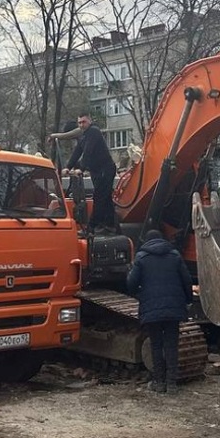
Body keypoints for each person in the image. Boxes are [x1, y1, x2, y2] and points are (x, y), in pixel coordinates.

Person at [126, 229, 193, 394]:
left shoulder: (141, 258)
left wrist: (139, 293)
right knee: (171, 345)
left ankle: (159, 382)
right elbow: (187, 280)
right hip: (173, 308)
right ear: (162, 240)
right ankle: (172, 384)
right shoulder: (175, 255)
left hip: (151, 309)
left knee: (156, 345)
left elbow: (131, 284)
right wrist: (188, 300)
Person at [61, 113, 117, 233]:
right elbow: (77, 152)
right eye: (79, 122)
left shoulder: (93, 132)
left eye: (84, 122)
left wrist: (81, 168)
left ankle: (91, 228)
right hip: (97, 171)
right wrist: (68, 167)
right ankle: (110, 225)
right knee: (106, 198)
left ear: (89, 121)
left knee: (99, 198)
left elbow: (88, 152)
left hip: (105, 169)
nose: (81, 125)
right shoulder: (84, 136)